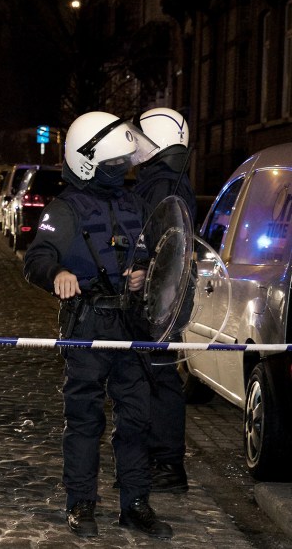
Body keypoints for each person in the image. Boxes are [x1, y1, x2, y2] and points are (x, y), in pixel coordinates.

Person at [23, 111, 173, 540]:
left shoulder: (135, 204)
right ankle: (81, 503)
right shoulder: (65, 209)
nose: (122, 170)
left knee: (137, 419)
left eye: (124, 163)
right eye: (113, 165)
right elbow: (36, 259)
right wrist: (56, 275)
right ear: (87, 161)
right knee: (85, 419)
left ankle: (136, 503)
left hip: (132, 326)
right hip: (88, 324)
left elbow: (159, 254)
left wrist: (146, 271)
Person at [134, 107, 196, 494]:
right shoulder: (166, 180)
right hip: (166, 296)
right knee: (153, 377)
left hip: (161, 298)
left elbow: (160, 243)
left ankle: (168, 464)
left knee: (159, 379)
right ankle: (159, 458)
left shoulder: (162, 185)